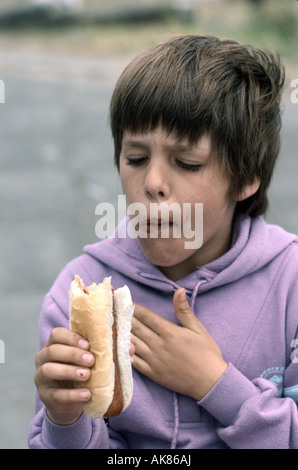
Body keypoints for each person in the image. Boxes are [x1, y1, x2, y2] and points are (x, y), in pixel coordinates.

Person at [28, 35, 298, 449]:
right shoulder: (77, 292)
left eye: (187, 163)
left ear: (245, 178)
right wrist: (65, 420)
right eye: (135, 158)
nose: (152, 183)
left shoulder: (290, 284)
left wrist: (214, 383)